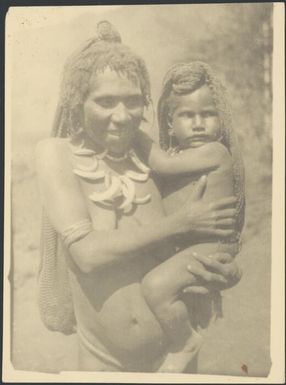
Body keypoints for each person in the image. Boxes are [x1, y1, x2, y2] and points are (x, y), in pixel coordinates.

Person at [35, 21, 241, 372]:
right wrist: (178, 223)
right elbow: (86, 254)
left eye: (133, 102)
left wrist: (226, 269)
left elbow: (200, 236)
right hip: (104, 365)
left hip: (173, 361)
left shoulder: (154, 160)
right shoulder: (57, 154)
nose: (121, 116)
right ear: (77, 101)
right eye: (105, 102)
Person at [134, 61, 245, 372]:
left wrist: (137, 135)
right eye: (187, 115)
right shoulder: (183, 157)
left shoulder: (215, 152)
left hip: (211, 247)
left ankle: (184, 340)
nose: (199, 124)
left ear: (221, 120)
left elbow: (160, 163)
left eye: (208, 114)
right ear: (170, 124)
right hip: (190, 249)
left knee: (156, 287)